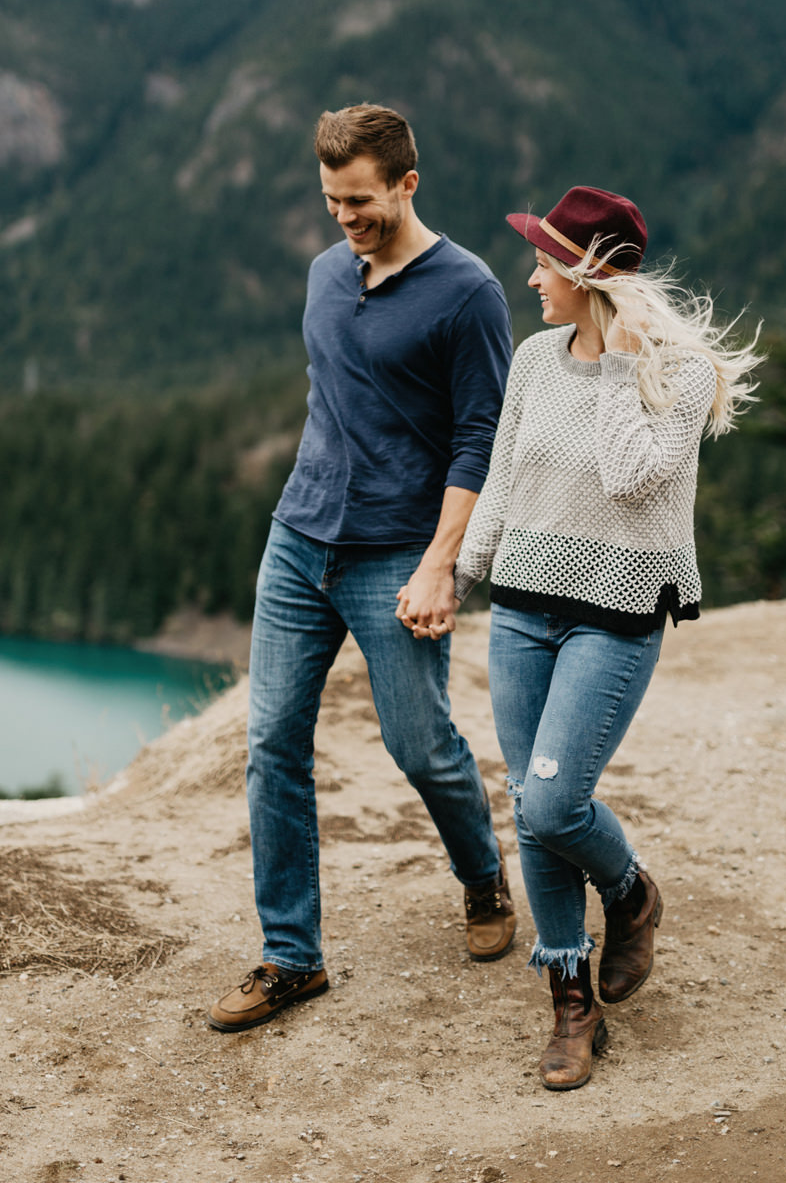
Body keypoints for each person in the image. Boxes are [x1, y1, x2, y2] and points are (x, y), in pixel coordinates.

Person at [210, 103, 516, 1034]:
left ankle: (484, 883)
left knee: (419, 744)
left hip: (396, 555)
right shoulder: (323, 275)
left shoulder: (468, 293)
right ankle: (291, 958)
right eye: (332, 201)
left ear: (407, 183)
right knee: (271, 743)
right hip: (300, 539)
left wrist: (440, 568)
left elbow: (480, 439)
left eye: (362, 201)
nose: (346, 218)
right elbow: (329, 398)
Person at [455, 187, 759, 1091]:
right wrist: (461, 575)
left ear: (586, 273)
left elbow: (630, 478)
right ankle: (569, 1001)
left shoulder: (681, 371)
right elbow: (506, 476)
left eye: (544, 262)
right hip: (521, 605)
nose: (531, 277)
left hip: (617, 610)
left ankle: (631, 895)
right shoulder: (536, 357)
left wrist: (626, 365)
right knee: (531, 809)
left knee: (552, 805)